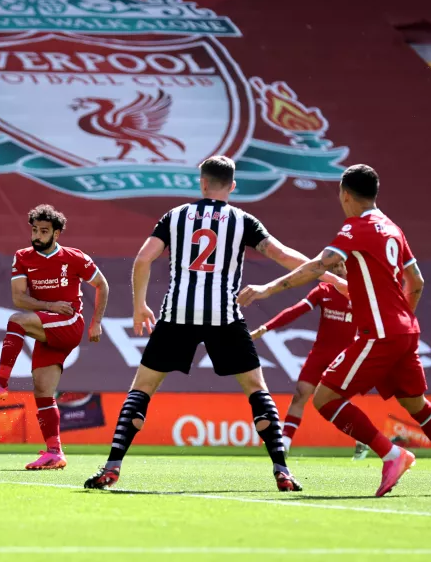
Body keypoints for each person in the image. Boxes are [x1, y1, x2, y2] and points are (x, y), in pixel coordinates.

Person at [84, 156, 346, 492]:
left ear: (202, 182)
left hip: (177, 314)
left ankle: (112, 466)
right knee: (256, 388)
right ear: (232, 186)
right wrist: (331, 279)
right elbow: (284, 256)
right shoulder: (243, 220)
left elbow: (143, 258)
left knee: (143, 387)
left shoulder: (174, 216)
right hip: (224, 314)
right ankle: (282, 470)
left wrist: (139, 306)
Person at [238, 164, 431, 497]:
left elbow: (318, 265)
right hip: (406, 331)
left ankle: (393, 454)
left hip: (380, 333)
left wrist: (268, 289)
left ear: (346, 194)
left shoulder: (355, 229)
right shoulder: (394, 229)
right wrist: (400, 320)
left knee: (324, 398)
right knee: (417, 405)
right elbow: (417, 283)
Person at [0, 204, 109, 470]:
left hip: (70, 323)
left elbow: (102, 285)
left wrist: (96, 324)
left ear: (56, 234)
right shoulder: (23, 257)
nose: (37, 236)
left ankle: (0, 381)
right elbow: (18, 297)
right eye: (34, 230)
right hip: (48, 328)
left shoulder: (74, 257)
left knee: (16, 321)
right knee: (43, 392)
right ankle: (54, 452)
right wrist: (50, 306)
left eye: (44, 231)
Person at [250, 283, 367, 458]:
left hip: (345, 356)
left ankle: (364, 439)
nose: (339, 268)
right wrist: (266, 327)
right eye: (334, 266)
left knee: (337, 402)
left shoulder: (362, 291)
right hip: (319, 354)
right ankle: (285, 443)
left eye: (342, 265)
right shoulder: (324, 290)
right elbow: (296, 310)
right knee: (300, 393)